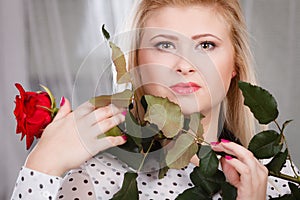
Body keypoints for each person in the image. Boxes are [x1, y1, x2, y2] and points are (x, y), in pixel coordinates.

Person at [11, 0, 296, 199]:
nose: (185, 64)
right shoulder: (95, 181)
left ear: (234, 64)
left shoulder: (280, 178)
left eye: (206, 45)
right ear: (137, 62)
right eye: (165, 45)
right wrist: (42, 165)